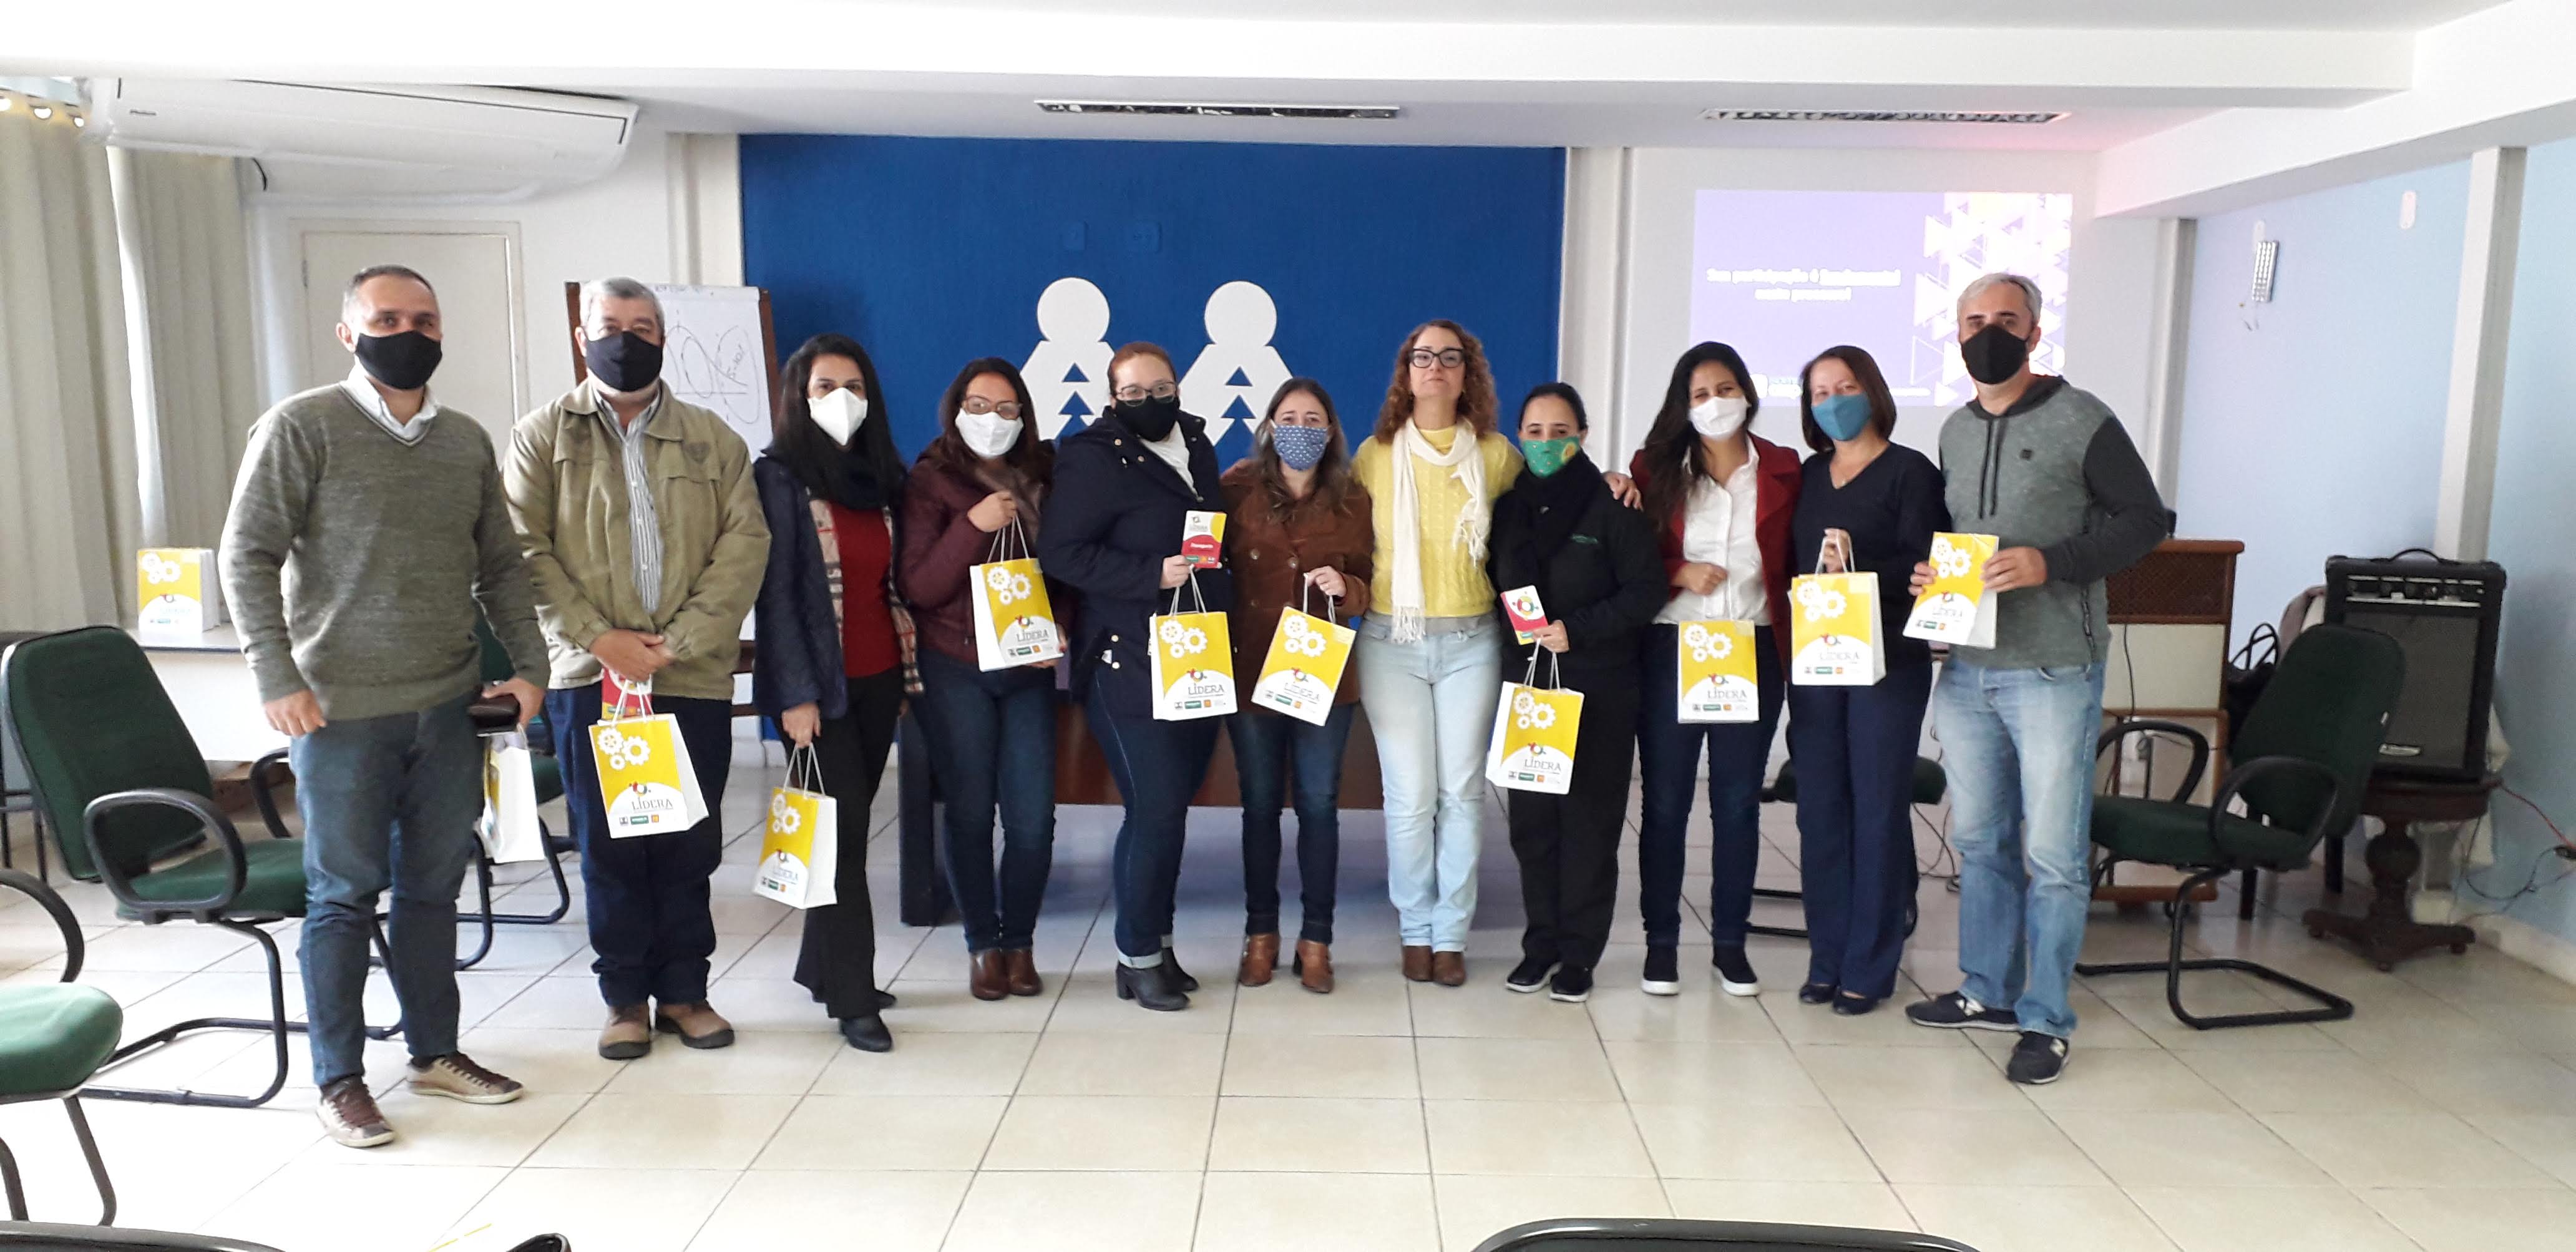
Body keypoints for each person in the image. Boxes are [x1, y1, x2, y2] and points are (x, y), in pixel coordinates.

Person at [218, 264, 544, 1147]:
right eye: (388, 318)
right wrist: (274, 674)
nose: (408, 332)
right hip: (339, 712)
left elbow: (502, 566)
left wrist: (529, 667)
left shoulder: (465, 440)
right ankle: (340, 1079)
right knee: (343, 896)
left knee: (433, 888)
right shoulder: (301, 426)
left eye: (423, 319)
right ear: (348, 332)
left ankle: (435, 1052)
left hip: (447, 704)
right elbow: (246, 554)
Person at [1901, 273, 2172, 1084]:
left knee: (2053, 852)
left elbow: (2147, 520)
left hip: (2054, 666)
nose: (1988, 332)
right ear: (1956, 333)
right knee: (1981, 842)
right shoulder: (1953, 430)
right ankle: (1986, 988)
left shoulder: (2083, 418)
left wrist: (2053, 562)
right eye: (1973, 320)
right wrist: (1933, 583)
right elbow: (1960, 534)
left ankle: (2046, 1018)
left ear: (2034, 331)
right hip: (1969, 668)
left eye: (2006, 319)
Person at [504, 276, 769, 1061]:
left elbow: (744, 545)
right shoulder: (542, 435)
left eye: (643, 327)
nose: (626, 339)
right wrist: (599, 638)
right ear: (582, 338)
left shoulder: (710, 437)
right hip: (594, 679)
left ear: (663, 338)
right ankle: (624, 997)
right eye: (610, 325)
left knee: (688, 842)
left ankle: (686, 990)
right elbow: (522, 549)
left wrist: (678, 640)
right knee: (611, 846)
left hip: (687, 675)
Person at [1040, 342, 1234, 1011]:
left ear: (1178, 387)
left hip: (1195, 652)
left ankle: (1160, 944)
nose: (1149, 401)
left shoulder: (1198, 445)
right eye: (1133, 392)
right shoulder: (1091, 457)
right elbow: (1063, 553)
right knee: (1152, 807)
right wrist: (1149, 574)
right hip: (1125, 657)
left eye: (1161, 388)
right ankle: (1135, 956)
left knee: (1173, 809)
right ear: (1111, 397)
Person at [752, 333, 914, 1052]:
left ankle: (823, 968)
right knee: (844, 845)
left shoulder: (879, 476)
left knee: (840, 829)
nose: (840, 399)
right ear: (799, 395)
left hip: (879, 680)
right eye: (824, 386)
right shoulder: (779, 477)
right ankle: (854, 997)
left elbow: (890, 580)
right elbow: (777, 594)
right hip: (817, 689)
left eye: (853, 386)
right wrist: (796, 694)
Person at [1628, 341, 1801, 999]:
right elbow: (1630, 557)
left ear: (1747, 394)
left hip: (1753, 649)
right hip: (1673, 647)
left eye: (1725, 389)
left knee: (1736, 803)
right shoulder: (1653, 469)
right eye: (1700, 394)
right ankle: (1661, 942)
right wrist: (1678, 571)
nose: (1714, 403)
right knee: (1666, 802)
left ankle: (1731, 944)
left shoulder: (1784, 467)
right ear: (1684, 405)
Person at [1350, 320, 1521, 987]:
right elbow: (1329, 515)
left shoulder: (1497, 456)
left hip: (1471, 641)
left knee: (1462, 793)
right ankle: (1414, 928)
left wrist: (1614, 484)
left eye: (1451, 357)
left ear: (1467, 372)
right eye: (1424, 357)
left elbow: (1549, 510)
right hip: (1391, 641)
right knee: (1410, 796)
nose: (1436, 367)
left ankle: (1450, 934)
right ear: (1407, 372)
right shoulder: (1374, 455)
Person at [1486, 384, 1666, 1004]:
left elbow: (1645, 590)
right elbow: (1495, 584)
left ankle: (1579, 954)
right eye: (1534, 432)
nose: (1546, 443)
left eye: (1559, 431)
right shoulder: (1508, 508)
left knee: (1589, 823)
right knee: (1532, 825)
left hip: (1600, 685)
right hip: (1531, 685)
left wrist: (1579, 629)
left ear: (1583, 435)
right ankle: (1540, 945)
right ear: (1519, 436)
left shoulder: (1612, 503)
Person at [1785, 346, 1949, 1017]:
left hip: (1889, 663)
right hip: (1818, 659)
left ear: (1873, 391)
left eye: (1845, 386)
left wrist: (1861, 570)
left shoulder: (1911, 472)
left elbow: (1928, 566)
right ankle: (1827, 957)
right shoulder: (1807, 475)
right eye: (1820, 392)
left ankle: (1869, 965)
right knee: (1820, 808)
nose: (1833, 401)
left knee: (1878, 807)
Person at [900, 358, 1061, 1002]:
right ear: (956, 409)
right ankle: (982, 945)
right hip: (956, 666)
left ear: (1023, 416)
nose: (992, 419)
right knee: (969, 811)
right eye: (978, 405)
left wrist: (1061, 628)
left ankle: (1019, 941)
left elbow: (1065, 572)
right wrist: (973, 526)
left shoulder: (1043, 478)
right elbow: (920, 585)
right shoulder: (930, 480)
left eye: (1006, 408)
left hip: (1027, 669)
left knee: (1033, 818)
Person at [1219, 378, 1373, 994]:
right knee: (1259, 805)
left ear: (1332, 431)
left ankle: (1316, 939)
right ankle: (1261, 934)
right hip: (1253, 670)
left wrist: (1349, 589)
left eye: (1313, 419)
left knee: (1318, 805)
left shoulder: (1354, 499)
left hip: (1321, 675)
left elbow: (1373, 581)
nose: (1301, 429)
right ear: (1269, 426)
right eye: (1289, 418)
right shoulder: (1236, 490)